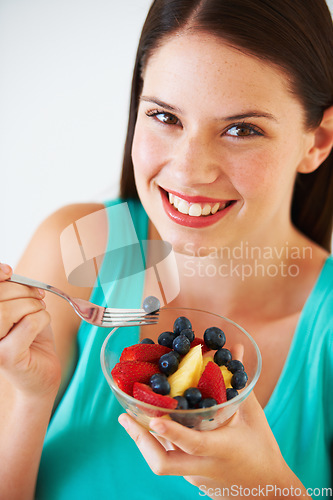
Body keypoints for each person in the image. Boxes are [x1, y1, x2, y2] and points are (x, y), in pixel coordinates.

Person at [1, 0, 333, 498]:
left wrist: (268, 489)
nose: (188, 171)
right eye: (164, 116)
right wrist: (31, 397)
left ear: (318, 141)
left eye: (242, 129)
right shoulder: (82, 248)